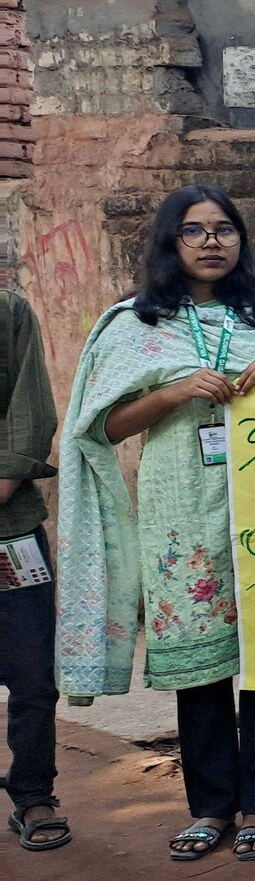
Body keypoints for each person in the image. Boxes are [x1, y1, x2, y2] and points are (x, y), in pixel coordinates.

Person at [56, 186, 255, 862]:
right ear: (169, 244)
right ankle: (210, 807)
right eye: (194, 231)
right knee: (199, 667)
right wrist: (174, 391)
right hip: (180, 511)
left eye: (224, 229)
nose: (211, 241)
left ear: (241, 239)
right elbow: (102, 426)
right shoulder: (134, 322)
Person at [1, 288, 62, 851]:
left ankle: (33, 794)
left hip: (10, 529)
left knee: (33, 674)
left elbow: (30, 410)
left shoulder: (7, 311)